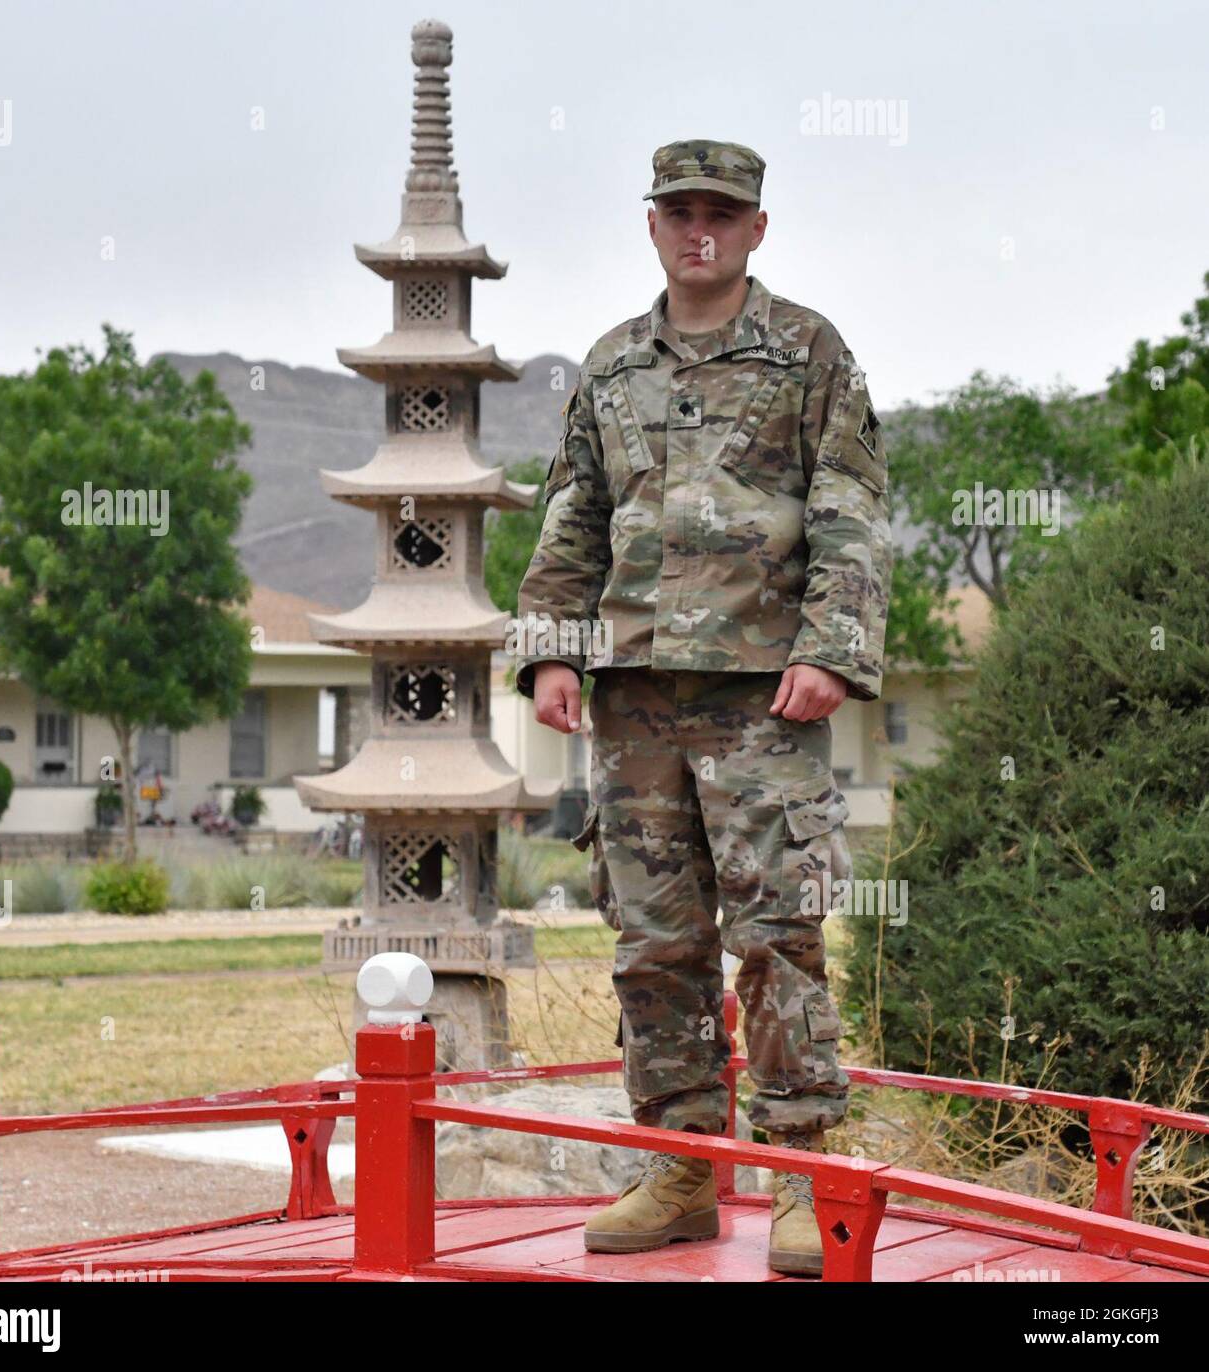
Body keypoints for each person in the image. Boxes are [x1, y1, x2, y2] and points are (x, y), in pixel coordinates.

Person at [514, 139, 893, 1276]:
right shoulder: (611, 365)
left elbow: (851, 506)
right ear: (651, 224)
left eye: (720, 214)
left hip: (761, 697)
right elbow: (573, 516)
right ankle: (679, 1167)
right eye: (679, 211)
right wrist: (548, 654)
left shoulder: (809, 352)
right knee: (654, 941)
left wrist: (831, 648)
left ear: (755, 229)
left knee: (776, 936)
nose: (699, 232)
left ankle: (801, 1176)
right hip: (631, 697)